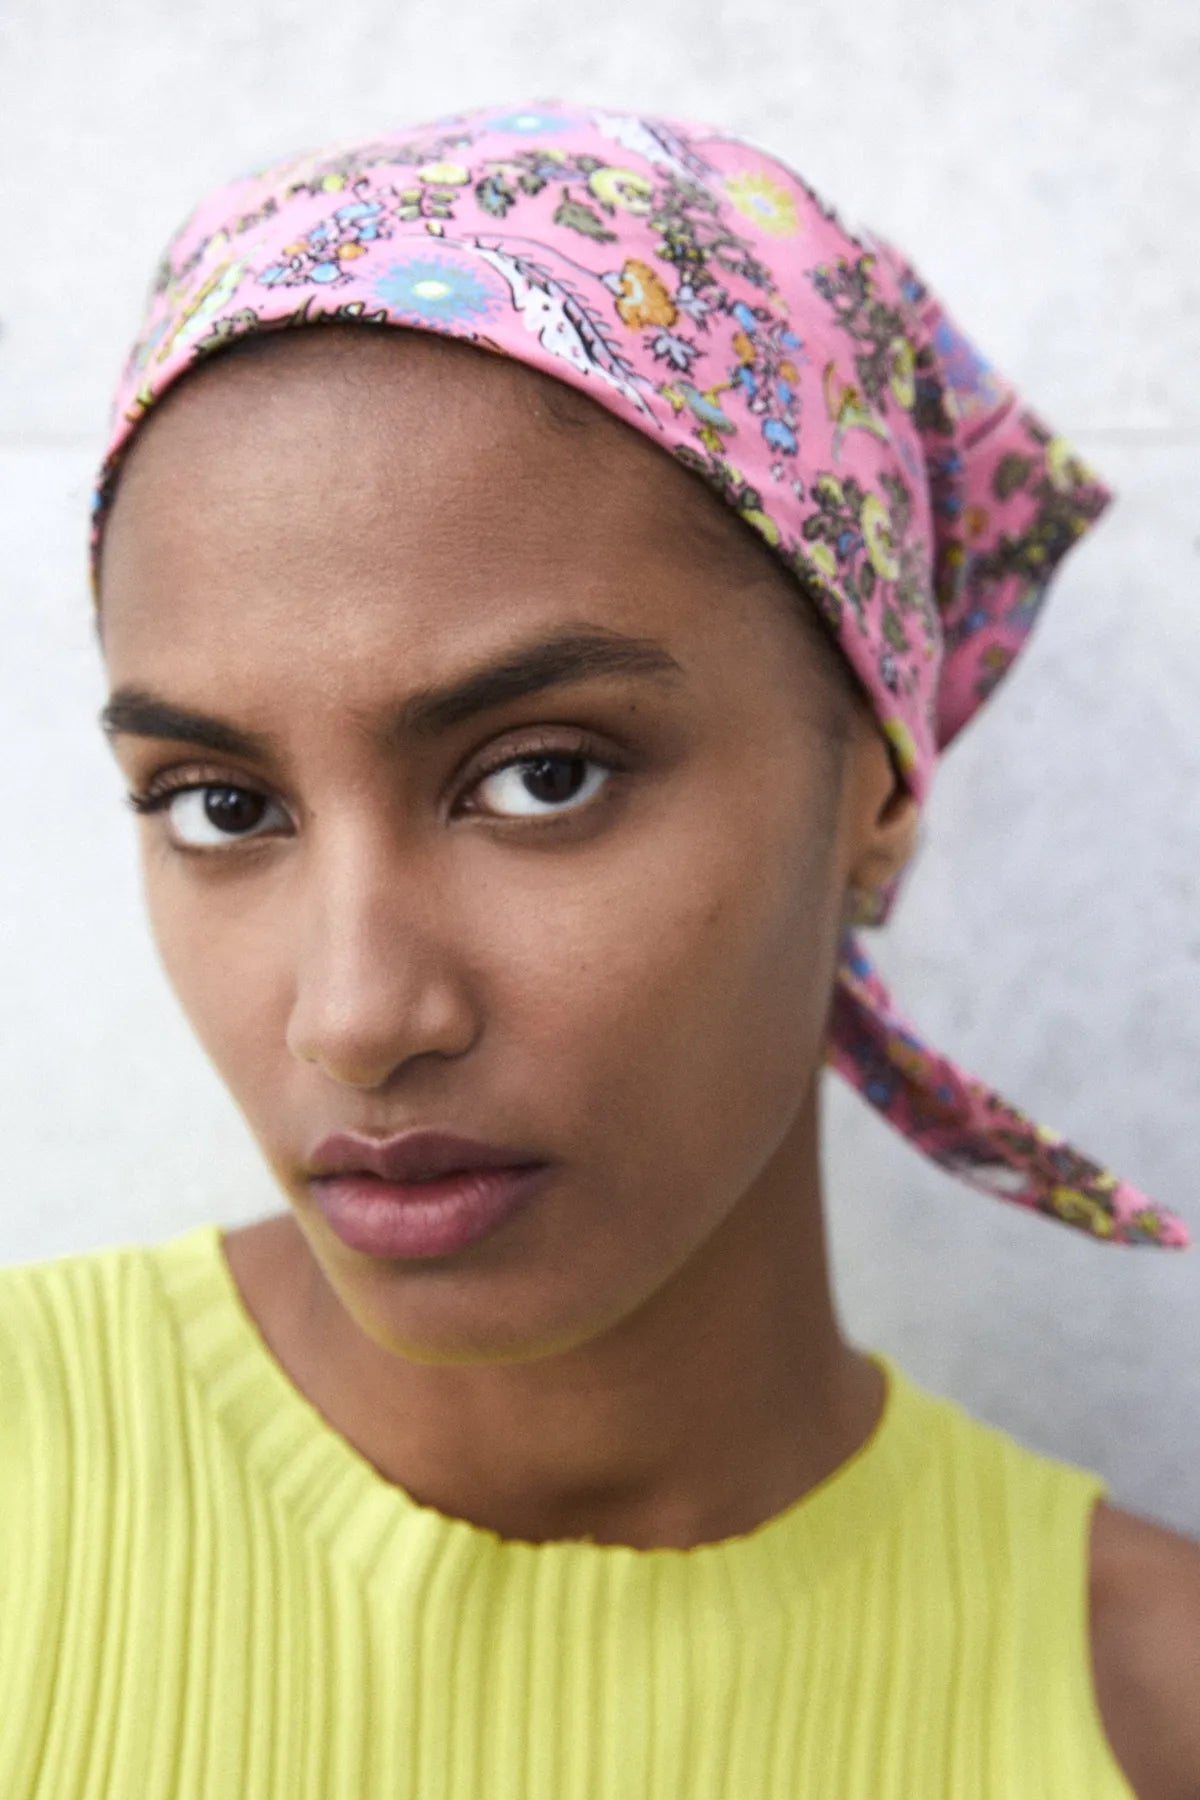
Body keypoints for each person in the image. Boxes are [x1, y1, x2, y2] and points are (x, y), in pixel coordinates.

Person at [2, 97, 1198, 1797]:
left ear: (877, 776)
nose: (357, 1018)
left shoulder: (1145, 1717)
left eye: (539, 777)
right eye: (219, 805)